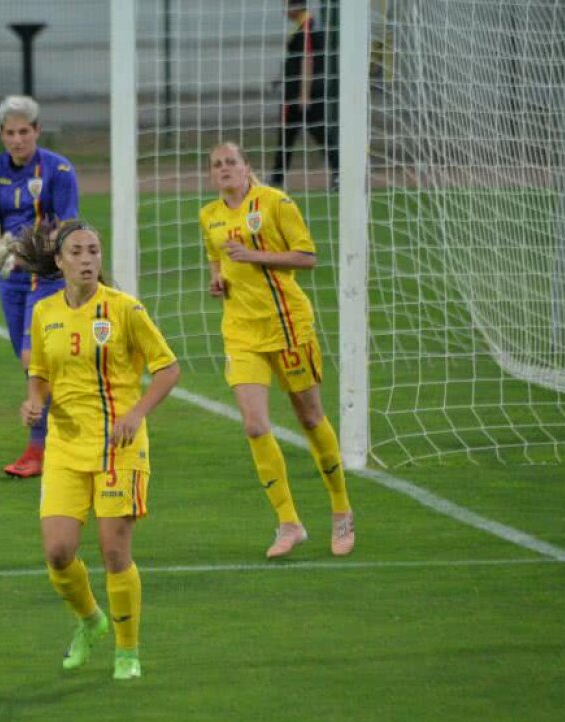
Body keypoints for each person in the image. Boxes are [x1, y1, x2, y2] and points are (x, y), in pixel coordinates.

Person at [13, 220, 180, 681]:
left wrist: (137, 413)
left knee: (113, 552)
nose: (88, 259)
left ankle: (128, 652)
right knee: (59, 553)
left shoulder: (125, 310)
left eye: (94, 251)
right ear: (60, 261)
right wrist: (33, 401)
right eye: (79, 252)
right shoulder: (45, 312)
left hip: (117, 447)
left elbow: (168, 369)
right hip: (65, 447)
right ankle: (91, 621)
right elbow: (41, 374)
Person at [199, 143, 354, 558]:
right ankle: (289, 522)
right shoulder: (209, 215)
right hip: (240, 330)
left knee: (309, 415)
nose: (225, 169)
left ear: (247, 167)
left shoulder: (276, 203)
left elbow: (307, 257)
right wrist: (219, 280)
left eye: (232, 161)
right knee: (254, 425)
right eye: (217, 165)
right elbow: (217, 260)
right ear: (212, 175)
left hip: (287, 325)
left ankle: (341, 509)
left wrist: (255, 255)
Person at [0, 95, 80, 478]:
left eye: (24, 131)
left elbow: (67, 226)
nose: (17, 139)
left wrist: (32, 252)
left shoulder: (59, 170)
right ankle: (63, 433)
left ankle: (38, 448)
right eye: (10, 133)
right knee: (35, 365)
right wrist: (2, 252)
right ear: (2, 135)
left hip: (47, 272)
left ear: (37, 131)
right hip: (12, 277)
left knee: (31, 358)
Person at [269, 0, 339, 191]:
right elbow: (296, 59)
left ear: (296, 6)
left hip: (302, 94)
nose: (284, 10)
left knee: (318, 133)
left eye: (286, 6)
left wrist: (304, 94)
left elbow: (308, 59)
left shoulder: (308, 26)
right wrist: (281, 78)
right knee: (288, 134)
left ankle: (340, 173)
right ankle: (276, 179)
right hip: (297, 92)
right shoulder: (302, 26)